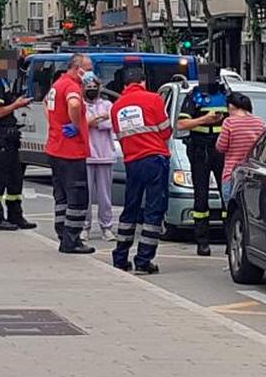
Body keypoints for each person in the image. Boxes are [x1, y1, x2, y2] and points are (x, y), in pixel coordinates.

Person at [111, 65, 173, 274]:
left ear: (125, 84)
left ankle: (120, 257)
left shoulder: (116, 107)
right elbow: (165, 131)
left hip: (132, 162)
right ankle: (143, 260)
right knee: (154, 210)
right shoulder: (154, 99)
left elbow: (120, 136)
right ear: (143, 81)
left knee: (130, 209)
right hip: (154, 159)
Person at [45, 52, 95, 254]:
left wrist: (55, 125)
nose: (91, 74)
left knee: (62, 196)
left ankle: (62, 231)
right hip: (71, 150)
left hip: (55, 147)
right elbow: (74, 104)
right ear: (78, 68)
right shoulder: (72, 87)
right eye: (89, 69)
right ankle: (72, 239)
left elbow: (45, 105)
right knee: (77, 196)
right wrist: (76, 125)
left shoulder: (57, 86)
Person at [176, 63, 229, 256]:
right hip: (199, 148)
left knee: (227, 195)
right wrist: (204, 120)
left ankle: (229, 240)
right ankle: (202, 240)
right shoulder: (194, 96)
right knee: (201, 195)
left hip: (222, 148)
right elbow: (181, 124)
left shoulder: (227, 95)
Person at [0, 57, 37, 231]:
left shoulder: (4, 82)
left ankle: (15, 215)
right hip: (1, 134)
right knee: (0, 176)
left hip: (9, 134)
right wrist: (16, 104)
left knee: (15, 176)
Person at [83, 72, 117, 242]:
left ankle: (106, 227)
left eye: (94, 87)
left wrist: (94, 121)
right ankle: (85, 227)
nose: (91, 90)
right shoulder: (80, 105)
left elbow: (110, 123)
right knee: (85, 195)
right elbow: (82, 123)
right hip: (86, 155)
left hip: (105, 155)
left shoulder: (107, 105)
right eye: (88, 87)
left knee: (105, 195)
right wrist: (96, 120)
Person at [216, 91, 265, 203]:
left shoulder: (229, 122)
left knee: (232, 211)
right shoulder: (259, 122)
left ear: (231, 106)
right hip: (253, 175)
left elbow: (221, 147)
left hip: (232, 174)